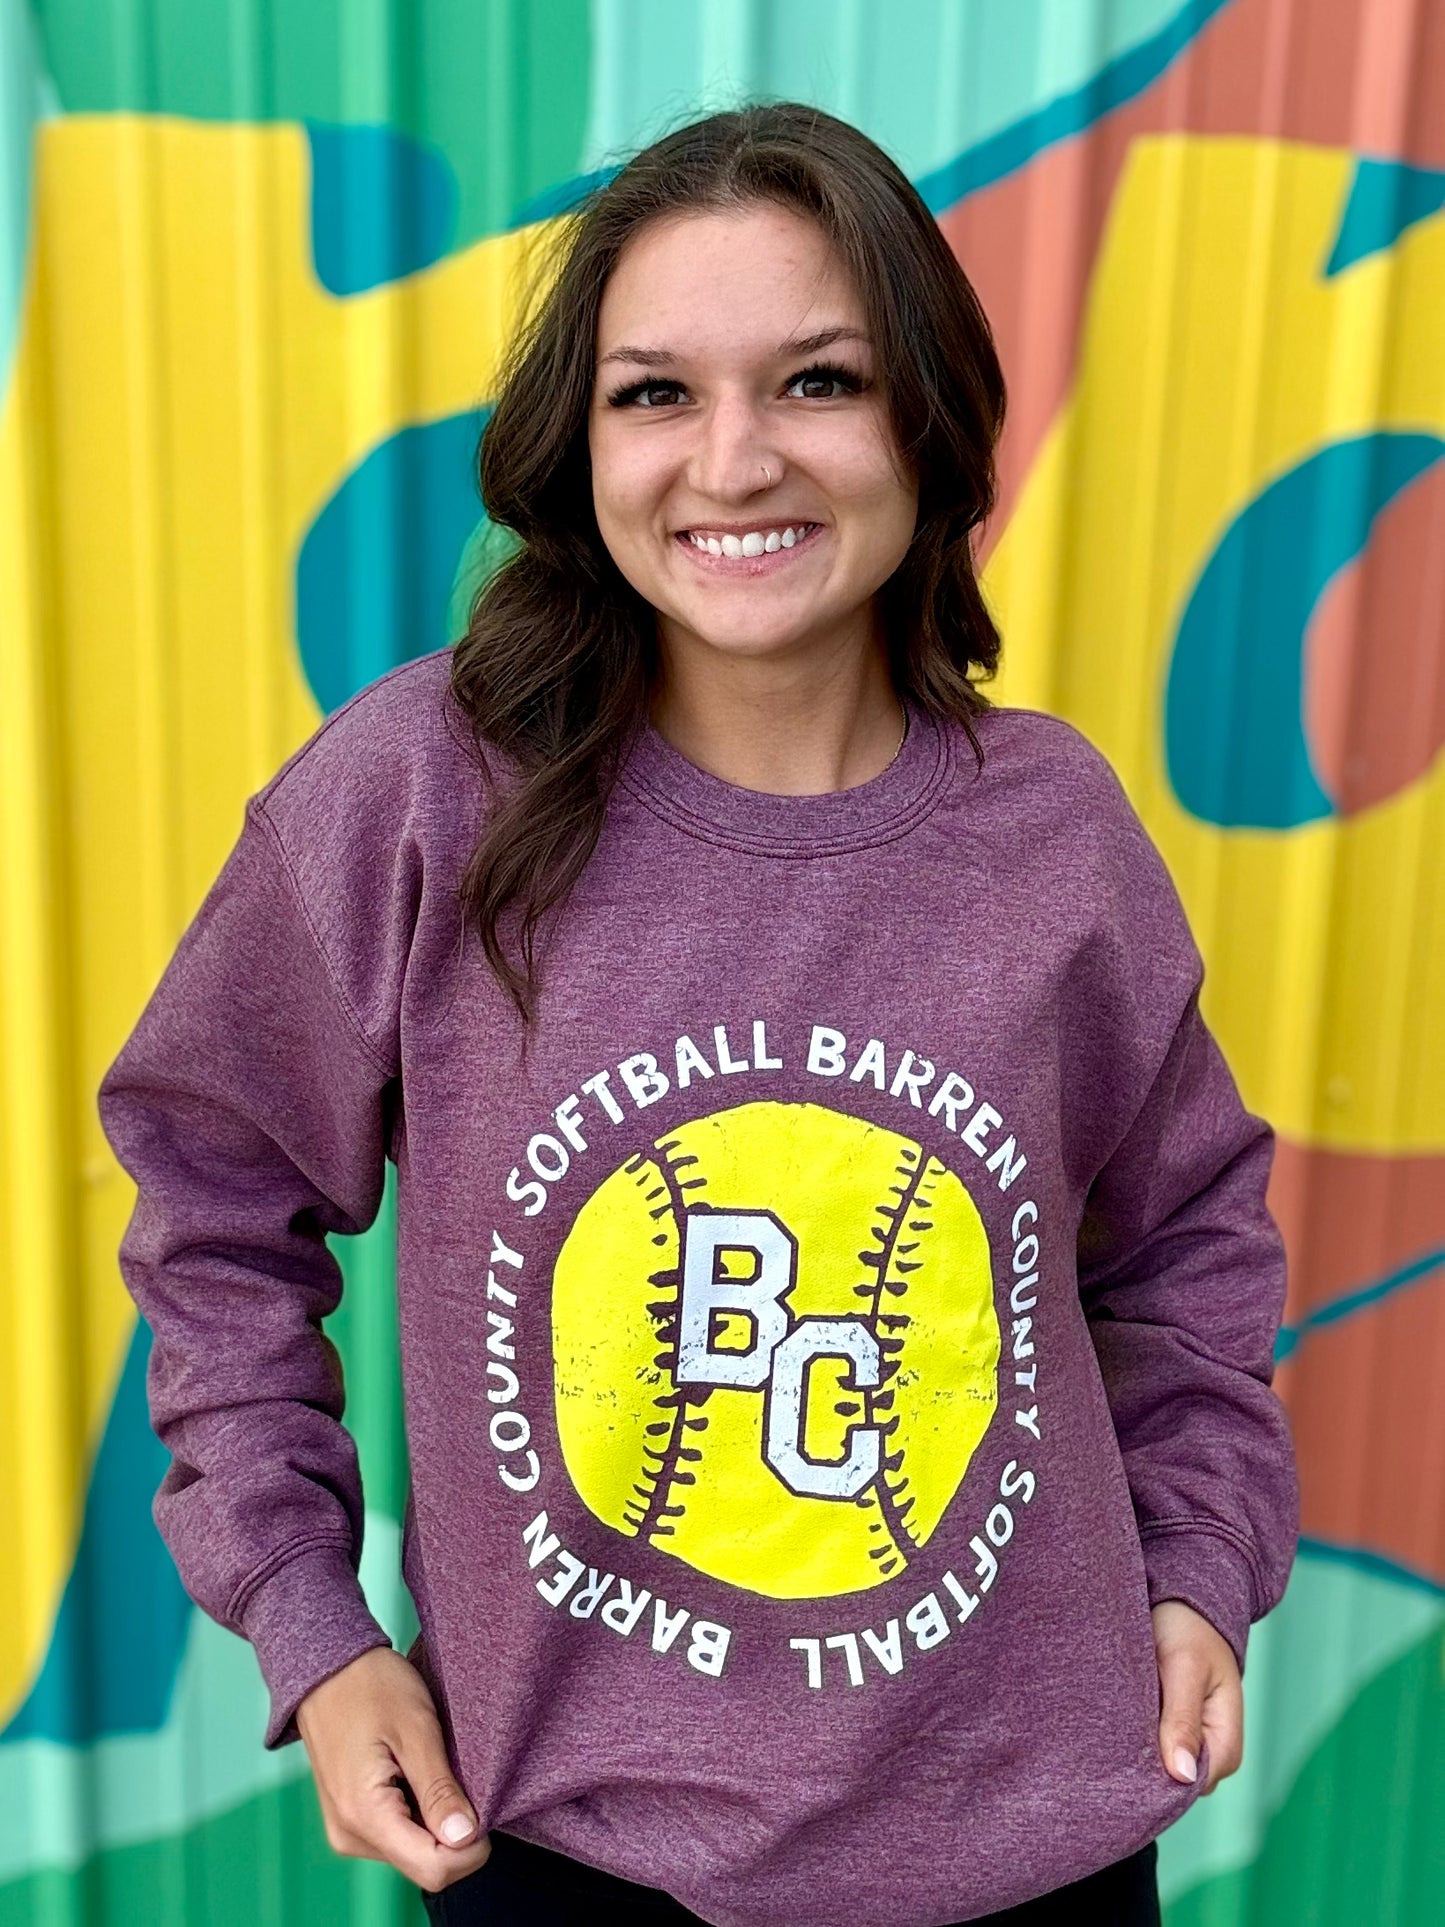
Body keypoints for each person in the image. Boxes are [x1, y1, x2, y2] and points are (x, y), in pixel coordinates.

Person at [97, 102, 1298, 1927]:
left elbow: (1187, 1234)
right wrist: (312, 1629)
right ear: (575, 444)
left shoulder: (1052, 828)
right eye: (653, 394)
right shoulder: (420, 792)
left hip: (1034, 1845)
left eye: (818, 380)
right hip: (564, 1849)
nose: (732, 461)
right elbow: (211, 1200)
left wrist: (1197, 1555)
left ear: (925, 422)